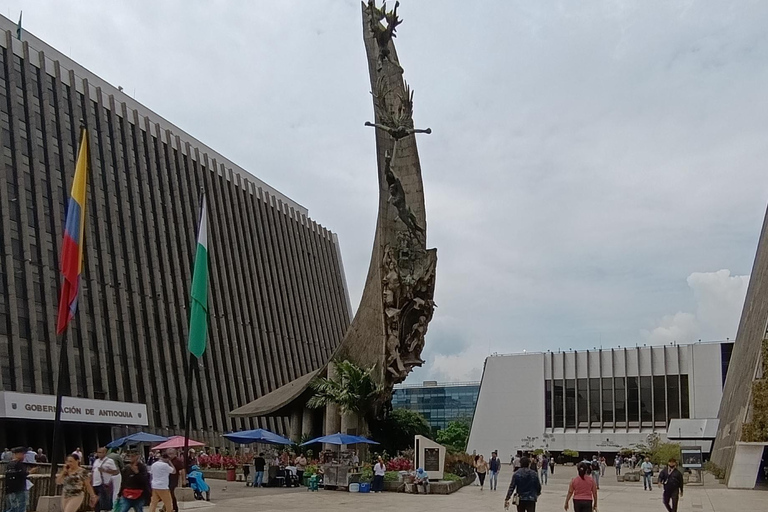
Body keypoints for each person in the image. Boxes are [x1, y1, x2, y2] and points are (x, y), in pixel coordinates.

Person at [5, 447, 38, 512]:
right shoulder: (19, 464)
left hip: (10, 489)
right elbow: (22, 474)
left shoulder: (9, 464)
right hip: (19, 488)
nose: (24, 456)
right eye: (23, 454)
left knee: (13, 508)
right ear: (18, 454)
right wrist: (30, 471)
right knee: (21, 507)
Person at [92, 447, 119, 512]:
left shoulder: (109, 461)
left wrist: (105, 470)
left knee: (104, 502)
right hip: (95, 483)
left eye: (100, 452)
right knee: (96, 502)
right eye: (98, 452)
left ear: (105, 453)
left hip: (103, 483)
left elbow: (115, 471)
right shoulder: (96, 461)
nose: (99, 454)